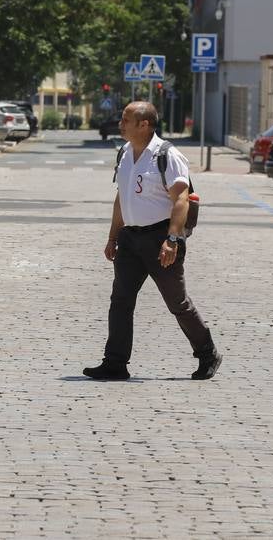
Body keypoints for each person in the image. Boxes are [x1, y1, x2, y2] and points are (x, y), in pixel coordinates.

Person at [83, 102, 222, 381]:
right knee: (120, 300)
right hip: (130, 239)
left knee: (177, 302)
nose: (120, 124)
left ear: (144, 124)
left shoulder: (167, 155)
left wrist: (172, 239)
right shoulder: (124, 153)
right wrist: (113, 236)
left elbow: (181, 199)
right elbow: (122, 198)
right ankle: (115, 363)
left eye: (126, 119)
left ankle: (208, 353)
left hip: (160, 239)